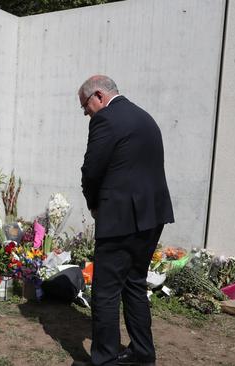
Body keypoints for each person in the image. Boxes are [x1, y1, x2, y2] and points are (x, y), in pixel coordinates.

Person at [78, 75, 174, 366]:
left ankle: (104, 359)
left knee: (106, 291)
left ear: (98, 96)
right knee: (134, 283)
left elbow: (92, 170)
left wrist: (94, 205)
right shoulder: (144, 117)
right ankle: (143, 354)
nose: (86, 113)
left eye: (85, 106)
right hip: (151, 216)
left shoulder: (106, 119)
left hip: (120, 217)